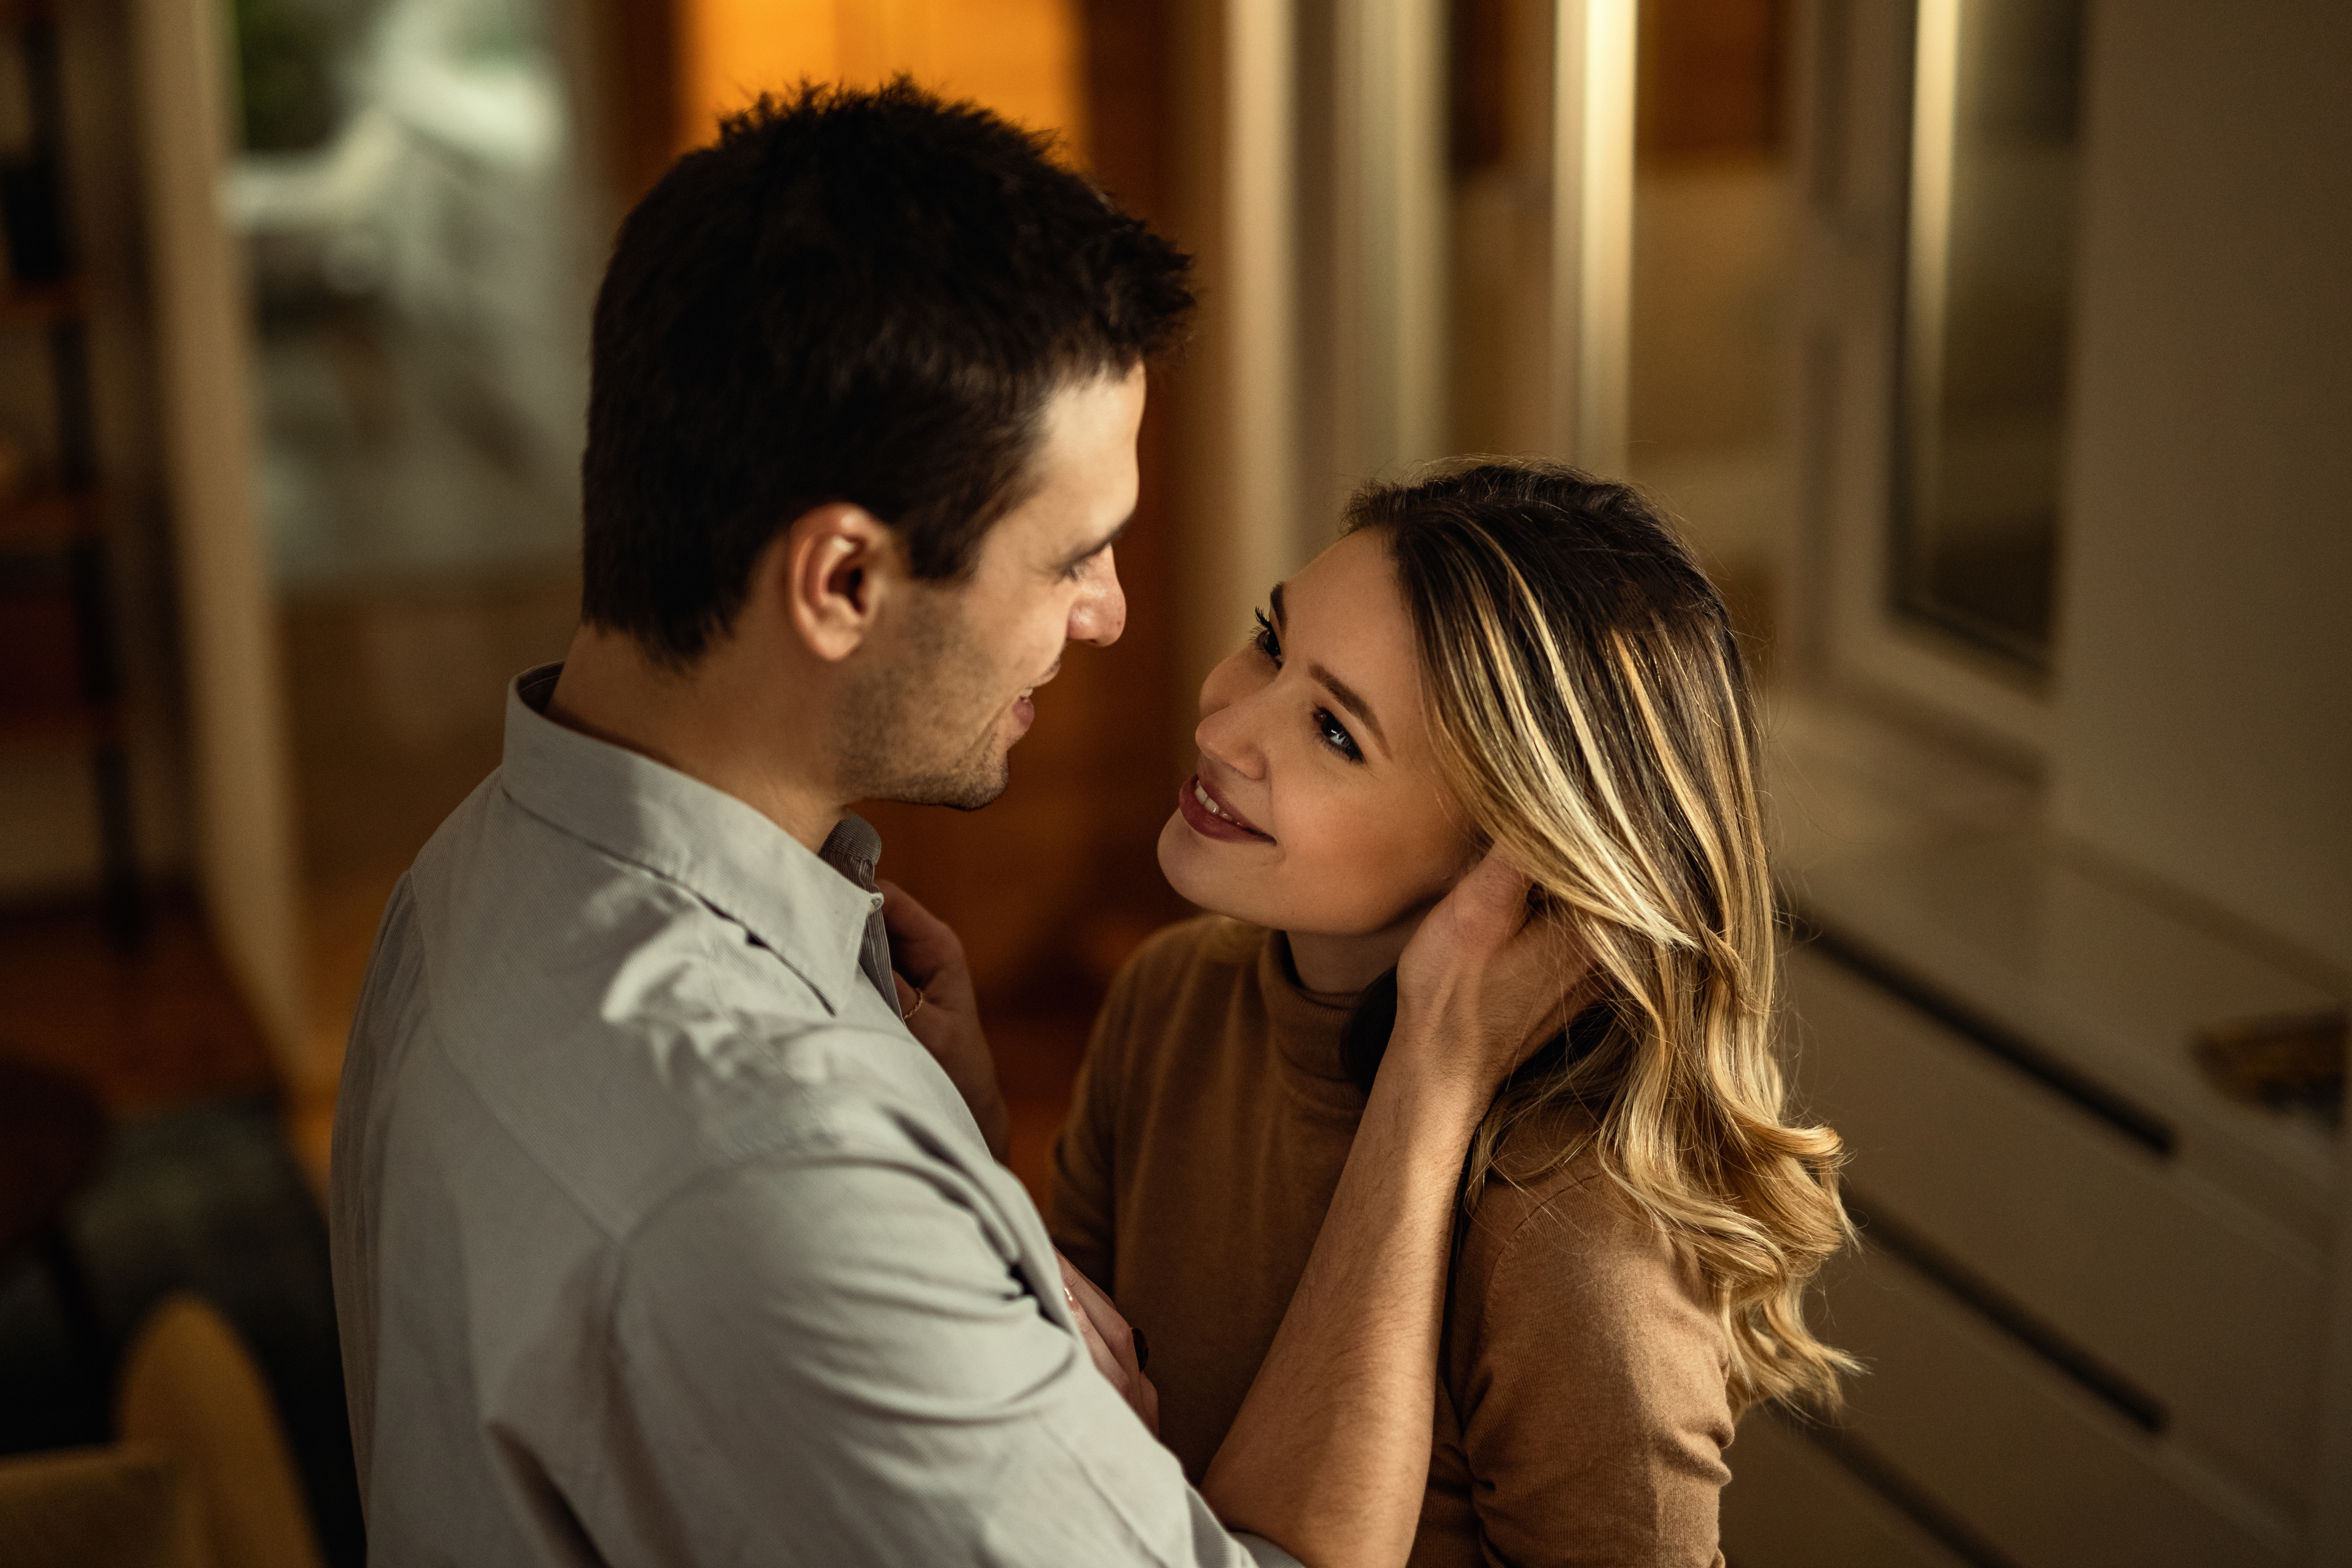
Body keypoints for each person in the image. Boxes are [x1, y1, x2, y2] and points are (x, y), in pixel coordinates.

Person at [328, 83, 1577, 1568]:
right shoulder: (771, 1177)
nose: (1111, 616)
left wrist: (963, 1202)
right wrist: (1427, 1087)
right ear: (842, 580)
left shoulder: (475, 868)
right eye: (1071, 555)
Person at [1049, 462, 1859, 1566]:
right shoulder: (1172, 998)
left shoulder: (1577, 1230)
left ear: (1513, 856)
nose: (1228, 725)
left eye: (1335, 732)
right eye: (1270, 642)